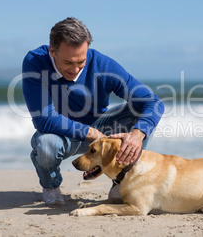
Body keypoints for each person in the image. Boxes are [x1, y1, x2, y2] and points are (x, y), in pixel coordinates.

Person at [22, 17, 164, 206]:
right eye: (68, 62)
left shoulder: (102, 65)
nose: (75, 69)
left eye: (81, 61)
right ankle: (51, 186)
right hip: (60, 134)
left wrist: (138, 134)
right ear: (52, 51)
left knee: (142, 115)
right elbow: (44, 119)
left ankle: (120, 181)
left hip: (101, 127)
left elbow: (152, 102)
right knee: (46, 144)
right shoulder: (35, 62)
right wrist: (90, 133)